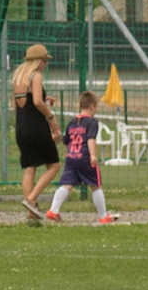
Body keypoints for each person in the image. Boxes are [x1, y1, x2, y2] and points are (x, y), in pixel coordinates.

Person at [47, 90, 114, 224]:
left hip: (72, 157)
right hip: (85, 158)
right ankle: (103, 216)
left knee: (67, 184)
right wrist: (93, 155)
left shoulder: (72, 122)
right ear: (92, 107)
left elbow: (67, 141)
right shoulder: (92, 122)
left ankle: (53, 211)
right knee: (96, 185)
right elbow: (90, 139)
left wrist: (70, 154)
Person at [12, 43, 61, 221]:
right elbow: (38, 103)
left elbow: (21, 104)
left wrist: (43, 100)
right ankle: (32, 200)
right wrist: (50, 117)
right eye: (45, 61)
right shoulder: (36, 76)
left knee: (29, 166)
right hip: (36, 128)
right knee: (54, 165)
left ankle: (30, 212)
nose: (45, 64)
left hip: (21, 128)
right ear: (38, 61)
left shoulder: (17, 78)